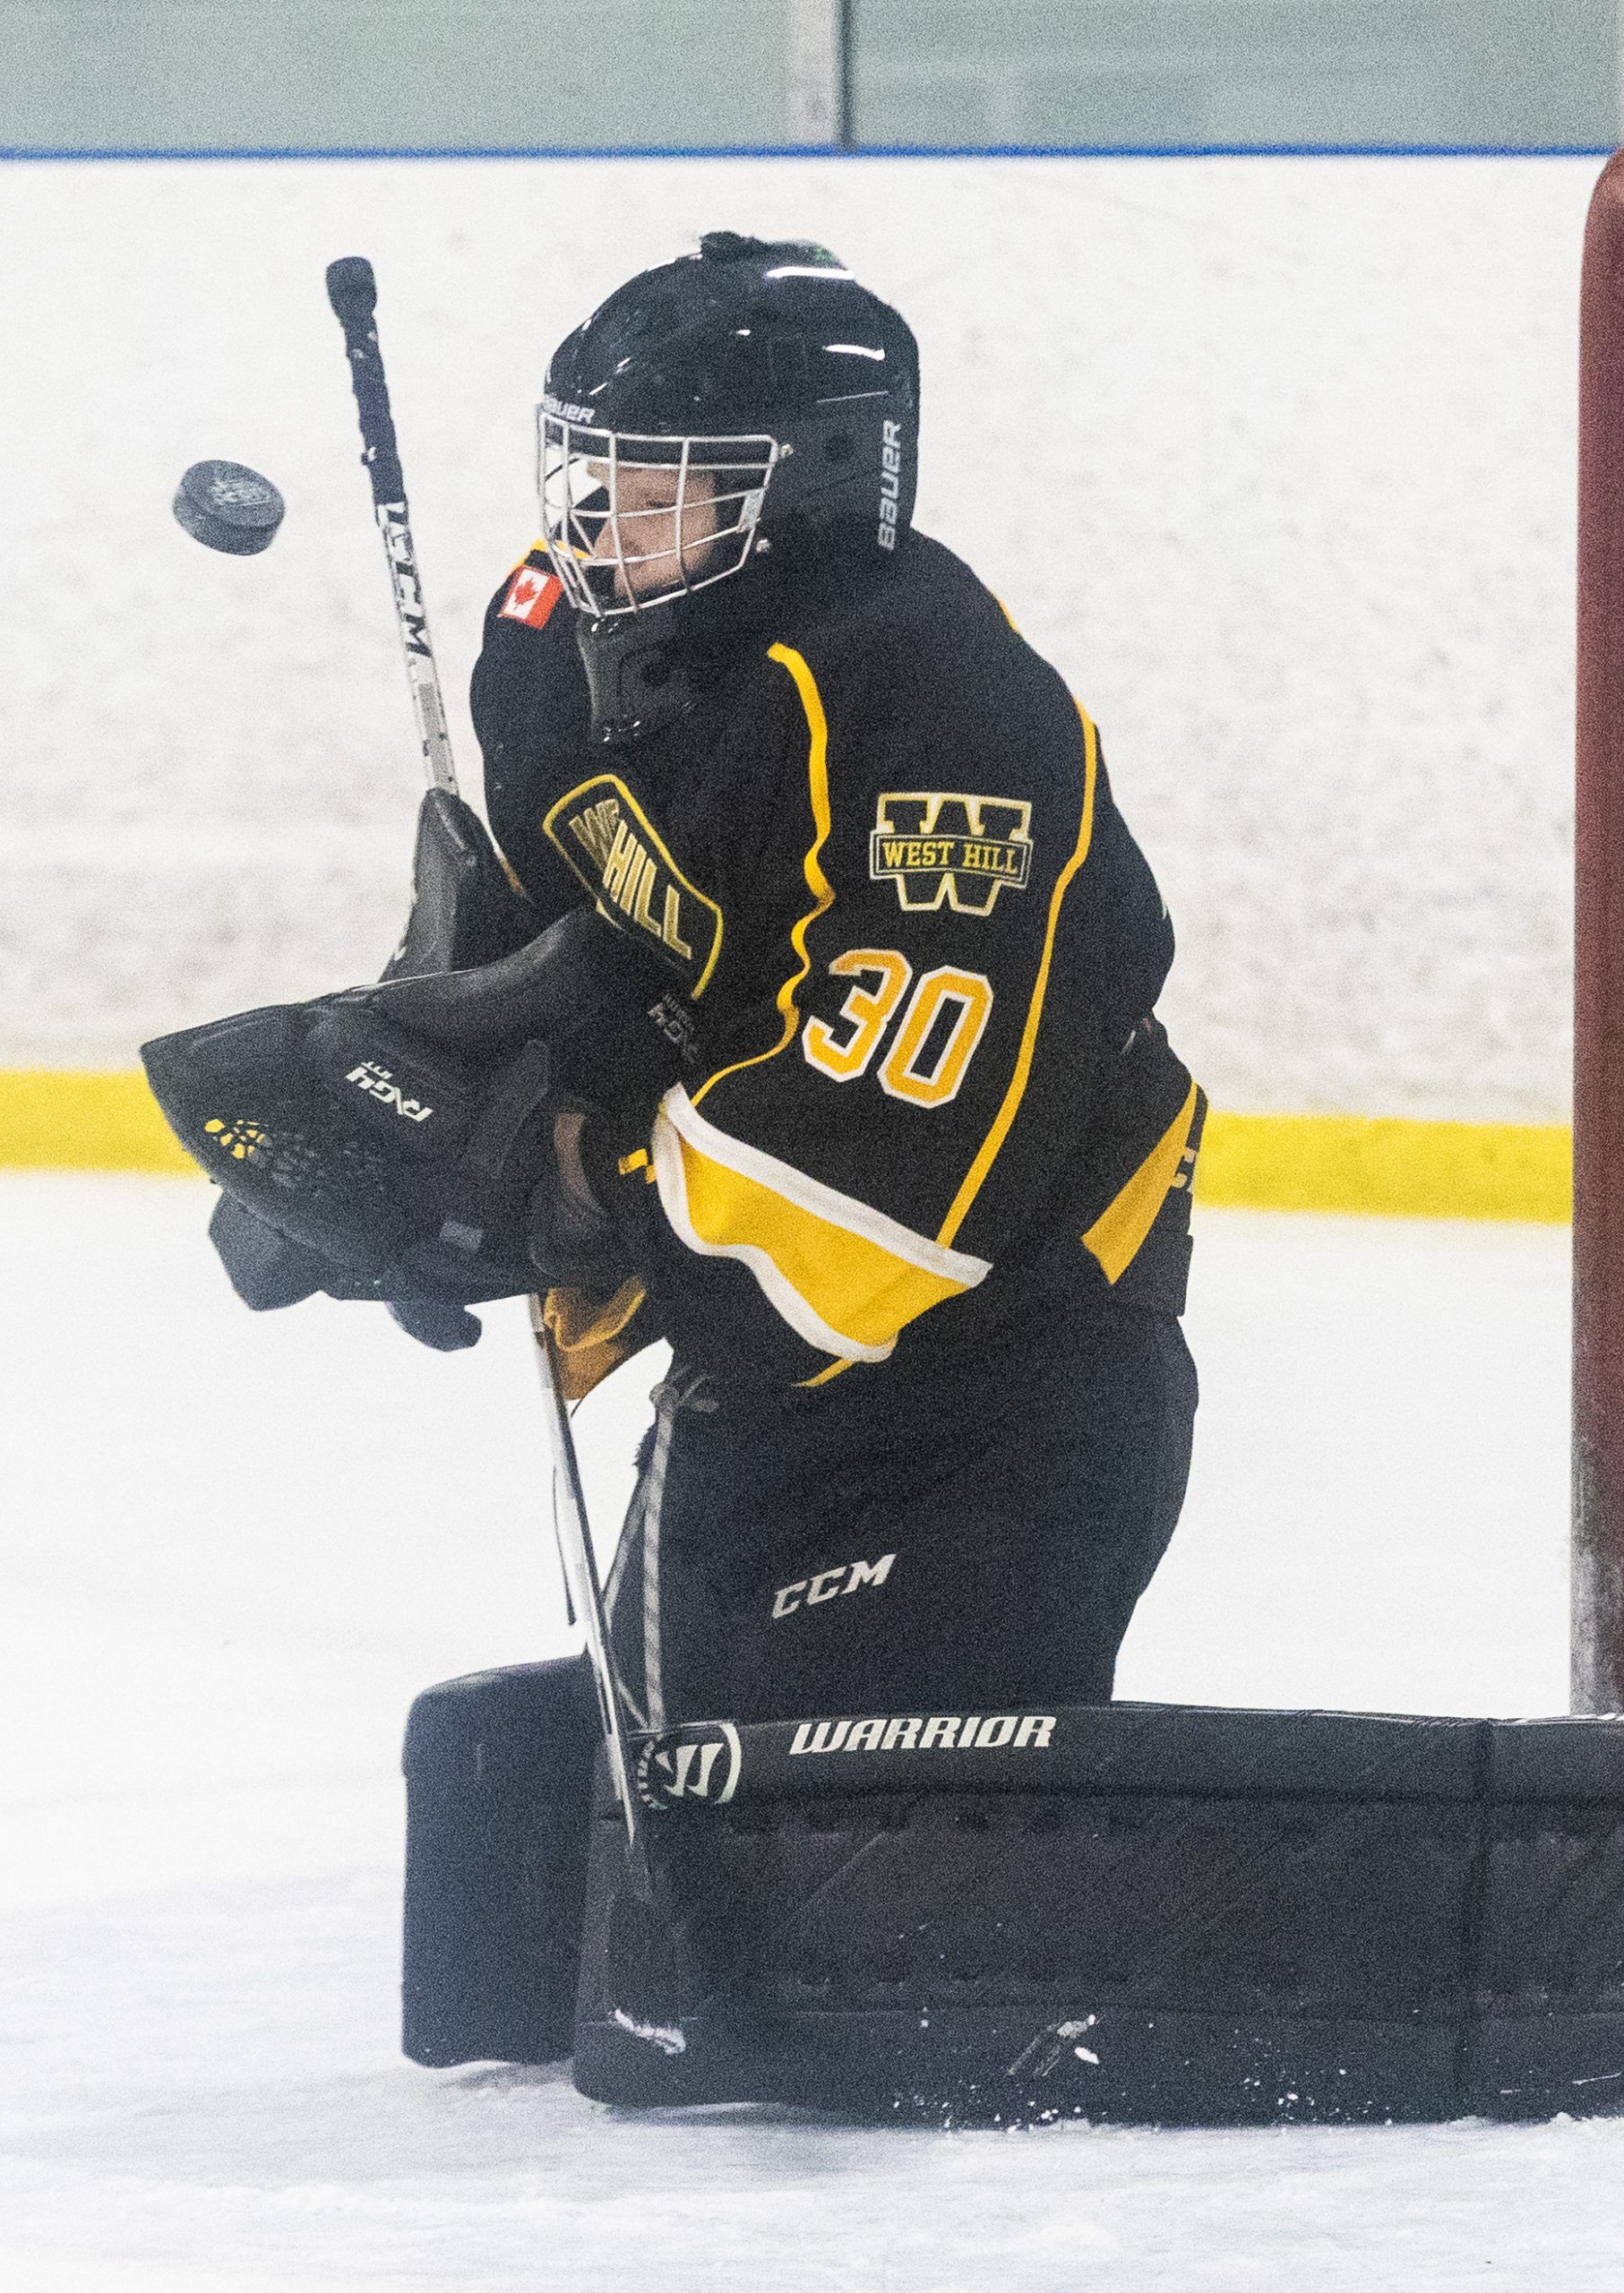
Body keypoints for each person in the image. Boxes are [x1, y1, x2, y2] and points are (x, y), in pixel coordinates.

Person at [446, 231, 1205, 1733]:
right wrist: (407, 1120)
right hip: (761, 1393)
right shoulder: (559, 641)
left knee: (887, 1907)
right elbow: (586, 950)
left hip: (1001, 1405)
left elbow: (886, 1170)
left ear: (800, 488)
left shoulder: (946, 715)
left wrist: (577, 1193)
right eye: (597, 472)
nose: (602, 521)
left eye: (665, 481)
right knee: (679, 1862)